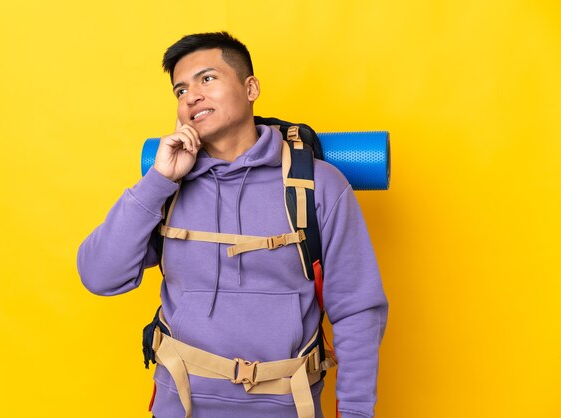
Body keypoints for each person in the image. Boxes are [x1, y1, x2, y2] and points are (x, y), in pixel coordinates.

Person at [77, 31, 388, 418]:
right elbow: (99, 276)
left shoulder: (318, 185)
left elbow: (358, 309)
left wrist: (357, 413)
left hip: (287, 407)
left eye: (207, 79)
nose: (191, 96)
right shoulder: (167, 188)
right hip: (181, 404)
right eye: (180, 90)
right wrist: (159, 180)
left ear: (251, 87)